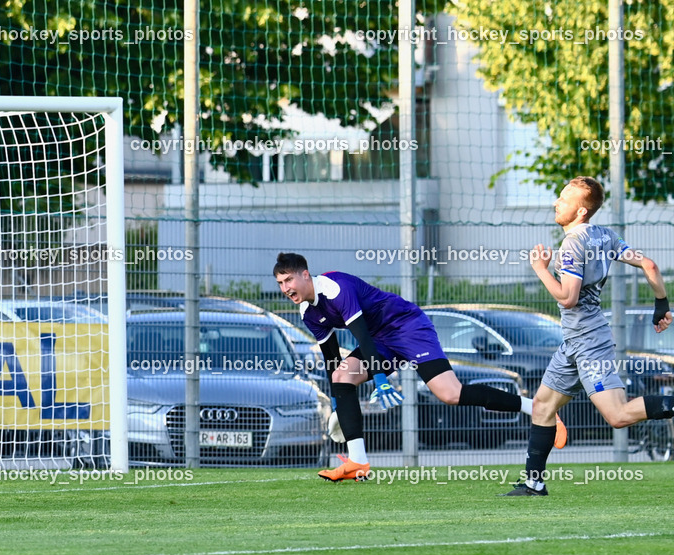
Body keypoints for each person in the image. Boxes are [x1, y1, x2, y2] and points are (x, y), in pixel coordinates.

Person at [273, 252, 565, 482]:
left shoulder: (336, 287)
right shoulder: (307, 311)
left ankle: (533, 406)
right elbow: (331, 359)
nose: (286, 288)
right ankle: (358, 462)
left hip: (407, 326)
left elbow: (361, 335)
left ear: (306, 275)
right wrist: (338, 404)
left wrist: (381, 380)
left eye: (289, 281)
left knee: (450, 394)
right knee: (341, 376)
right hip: (381, 340)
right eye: (280, 284)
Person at [505, 176, 674, 496]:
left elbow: (567, 298)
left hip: (589, 342)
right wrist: (661, 305)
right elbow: (649, 265)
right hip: (575, 341)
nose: (557, 202)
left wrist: (540, 269)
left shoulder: (572, 244)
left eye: (565, 199)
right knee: (542, 406)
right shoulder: (604, 235)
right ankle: (533, 483)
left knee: (619, 415)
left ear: (581, 211)